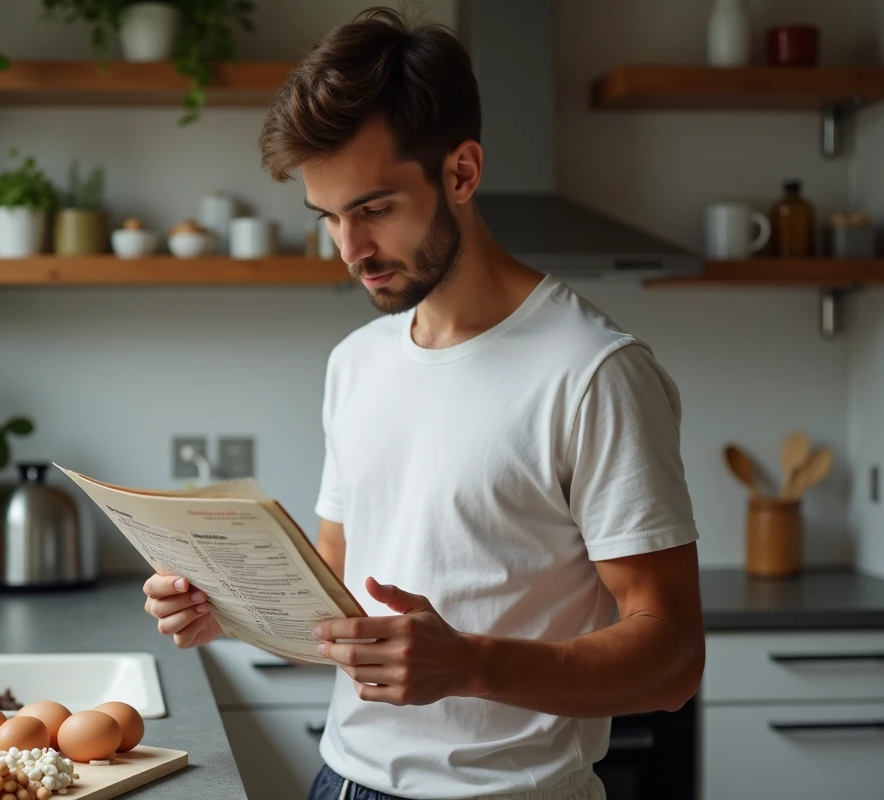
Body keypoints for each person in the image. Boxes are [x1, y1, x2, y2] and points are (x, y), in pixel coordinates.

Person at [142, 8, 705, 800]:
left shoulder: (594, 373)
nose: (349, 249)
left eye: (374, 209)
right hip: (341, 785)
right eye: (328, 218)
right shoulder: (357, 362)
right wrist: (223, 609)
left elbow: (674, 660)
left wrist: (471, 663)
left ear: (462, 173)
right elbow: (334, 599)